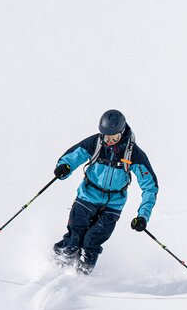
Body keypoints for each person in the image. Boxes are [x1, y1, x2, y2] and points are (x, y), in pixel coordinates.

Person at [51, 109, 158, 274]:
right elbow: (73, 156)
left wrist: (142, 216)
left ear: (122, 132)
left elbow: (150, 187)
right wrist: (64, 167)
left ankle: (79, 277)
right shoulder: (96, 143)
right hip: (87, 196)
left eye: (113, 137)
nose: (108, 141)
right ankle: (54, 267)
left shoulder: (133, 154)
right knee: (75, 237)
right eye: (105, 136)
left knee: (91, 241)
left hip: (113, 205)